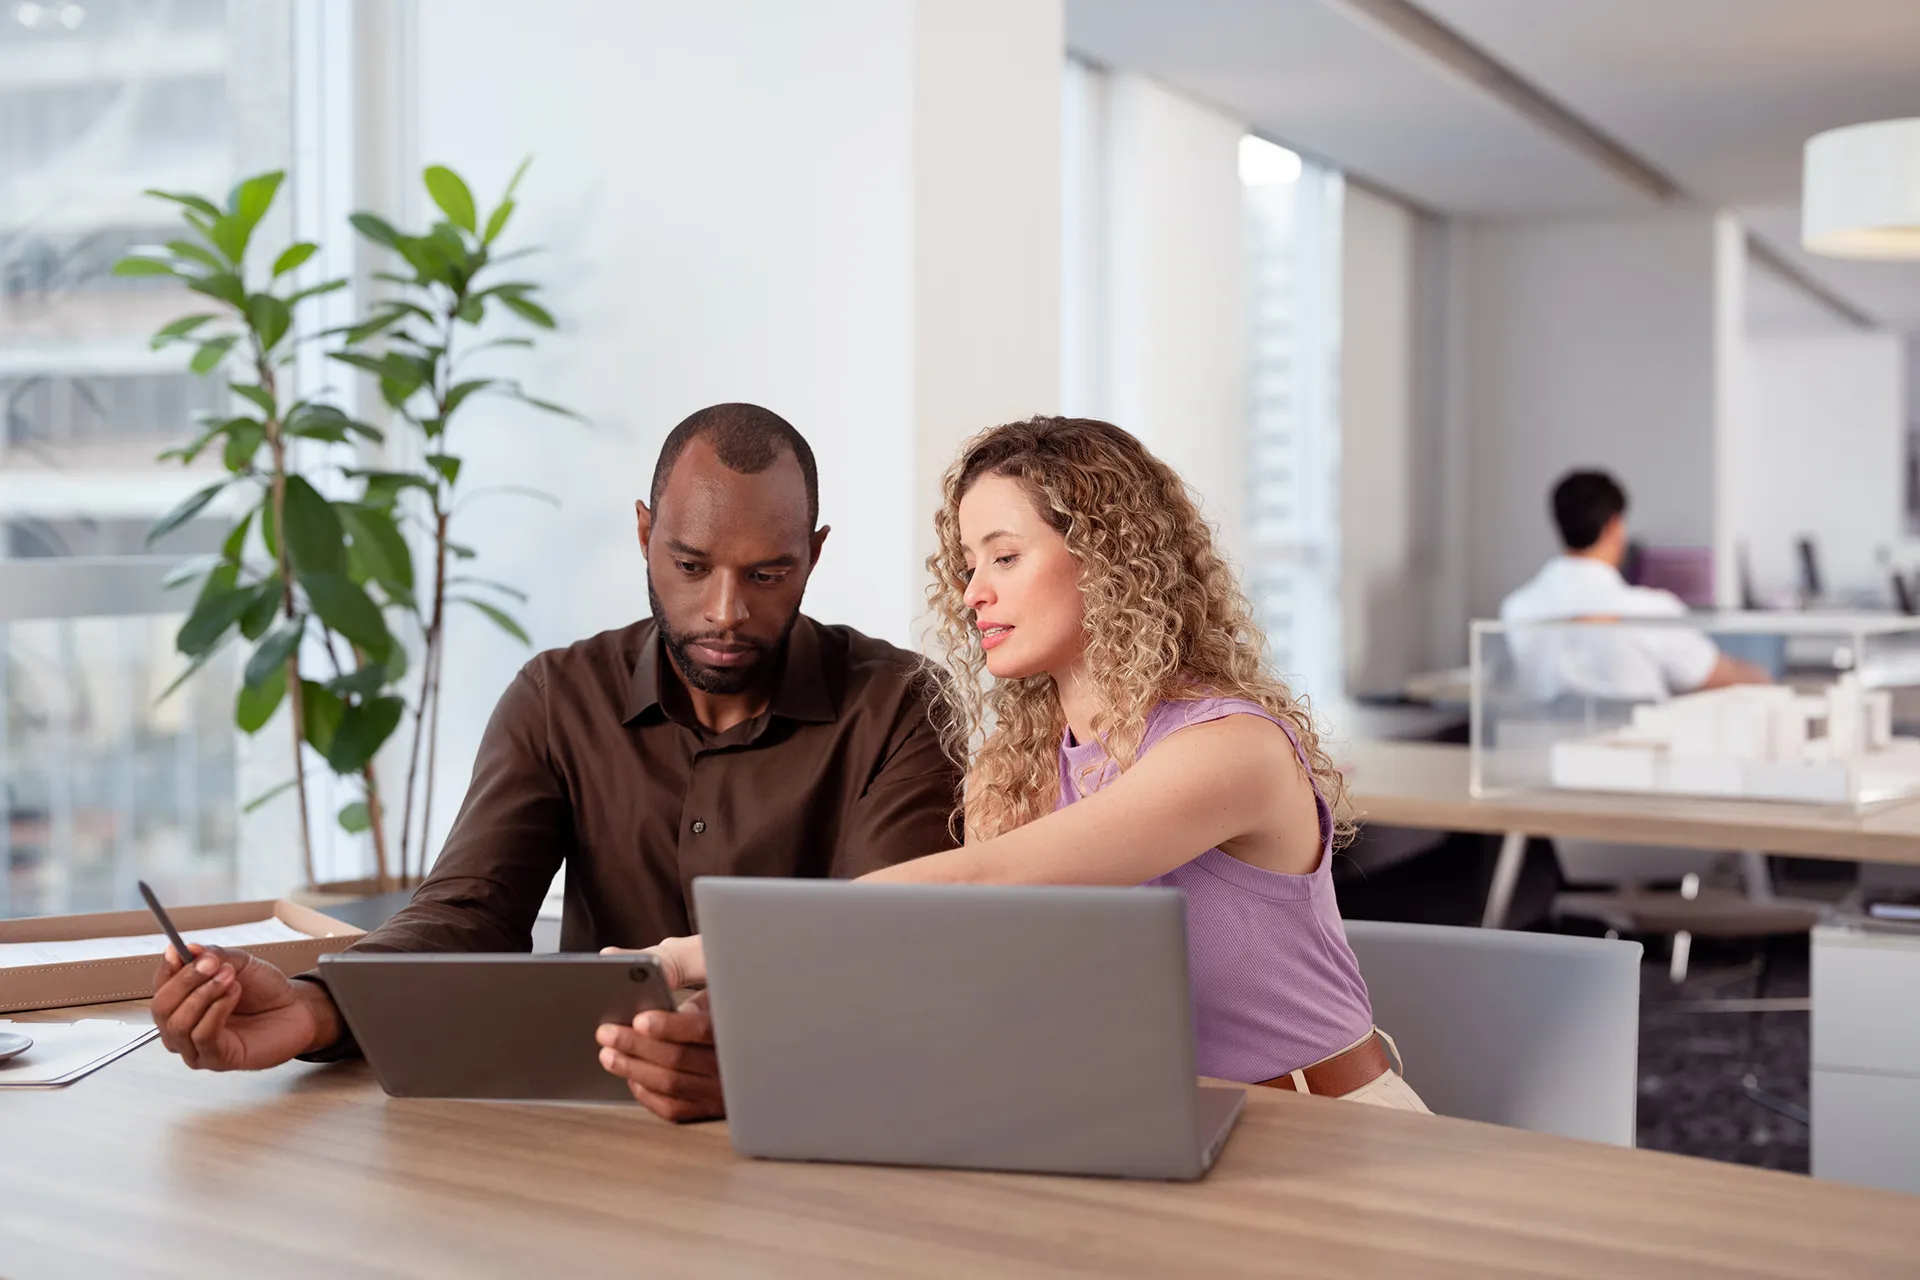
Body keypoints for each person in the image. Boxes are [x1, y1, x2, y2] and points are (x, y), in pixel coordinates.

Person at [149, 403, 962, 1121]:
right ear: (644, 533)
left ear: (813, 556)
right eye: (689, 566)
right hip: (583, 1129)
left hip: (810, 1138)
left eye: (768, 574)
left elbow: (883, 953)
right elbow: (469, 912)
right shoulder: (555, 697)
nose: (725, 610)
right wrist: (313, 1007)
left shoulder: (901, 706)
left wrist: (767, 1061)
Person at [632, 417, 1428, 1110]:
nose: (974, 591)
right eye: (967, 564)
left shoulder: (1230, 750)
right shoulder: (1011, 771)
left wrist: (690, 955)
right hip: (1143, 1127)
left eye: (1005, 558)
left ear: (1106, 559)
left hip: (1326, 1124)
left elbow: (982, 887)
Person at [1500, 469, 1769, 702]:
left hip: (1545, 754)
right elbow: (1714, 676)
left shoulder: (1517, 608)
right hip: (1635, 756)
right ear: (1615, 525)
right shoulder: (1650, 610)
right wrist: (1762, 677)